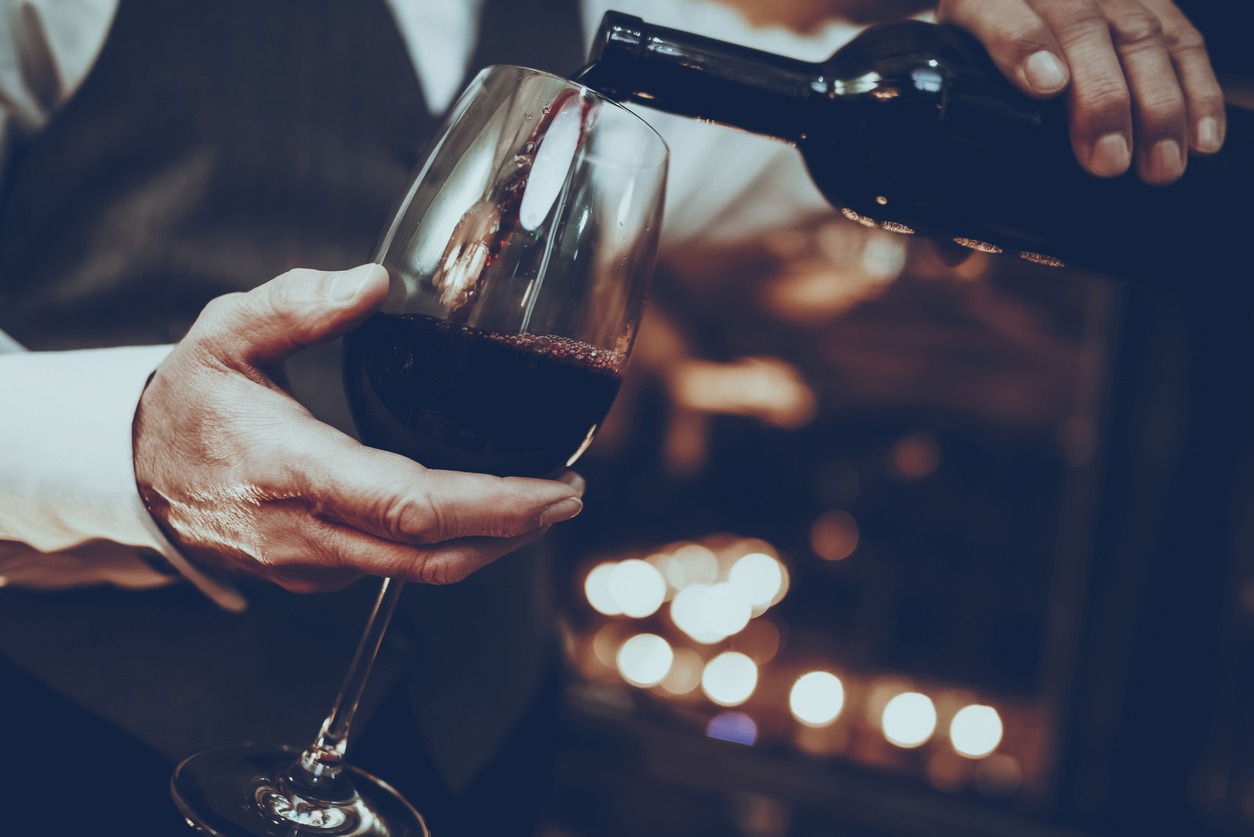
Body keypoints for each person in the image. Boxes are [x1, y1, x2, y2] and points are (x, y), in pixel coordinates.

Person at [0, 0, 1229, 834]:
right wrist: (134, 446)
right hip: (78, 756)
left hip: (482, 762)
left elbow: (807, 139)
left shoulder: (598, 22)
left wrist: (1023, 68)